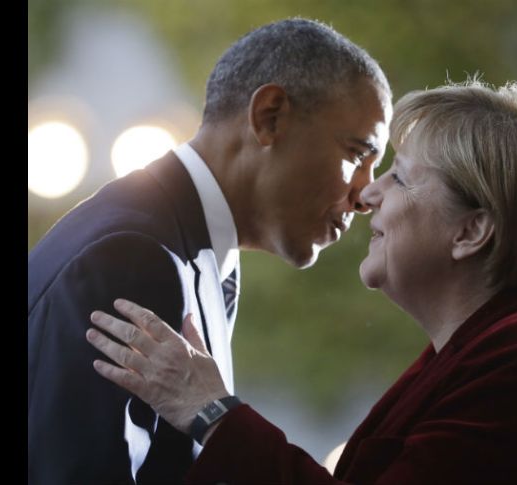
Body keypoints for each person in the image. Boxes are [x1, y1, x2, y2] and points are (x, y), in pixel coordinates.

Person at [86, 80, 517, 484]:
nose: (368, 195)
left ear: (471, 230)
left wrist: (210, 411)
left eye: (401, 177)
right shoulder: (498, 346)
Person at [27, 18, 392, 485]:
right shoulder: (131, 255)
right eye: (357, 154)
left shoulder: (189, 247)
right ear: (270, 116)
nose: (365, 194)